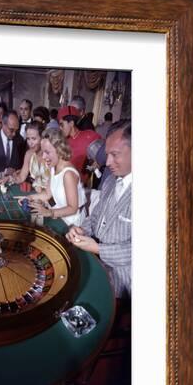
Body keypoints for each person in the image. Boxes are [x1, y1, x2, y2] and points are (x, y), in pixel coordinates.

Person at [66, 119, 132, 298]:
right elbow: (95, 217)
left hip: (125, 284)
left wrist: (99, 249)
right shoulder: (111, 179)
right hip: (99, 267)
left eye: (115, 154)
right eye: (107, 154)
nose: (108, 162)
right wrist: (82, 230)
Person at [20, 128, 86, 226]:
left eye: (47, 152)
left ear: (59, 150)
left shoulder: (68, 174)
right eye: (43, 152)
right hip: (58, 217)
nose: (43, 157)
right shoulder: (53, 167)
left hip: (72, 224)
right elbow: (47, 194)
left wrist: (49, 213)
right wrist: (29, 197)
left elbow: (73, 208)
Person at [0, 121, 49, 192]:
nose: (30, 143)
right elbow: (21, 177)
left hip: (51, 197)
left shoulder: (50, 155)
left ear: (42, 138)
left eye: (34, 139)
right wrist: (8, 178)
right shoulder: (29, 154)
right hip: (38, 195)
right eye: (28, 139)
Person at [58, 105, 101, 184]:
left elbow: (104, 156)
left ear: (71, 123)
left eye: (62, 124)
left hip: (85, 186)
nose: (60, 128)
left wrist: (95, 165)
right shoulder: (61, 141)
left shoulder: (90, 136)